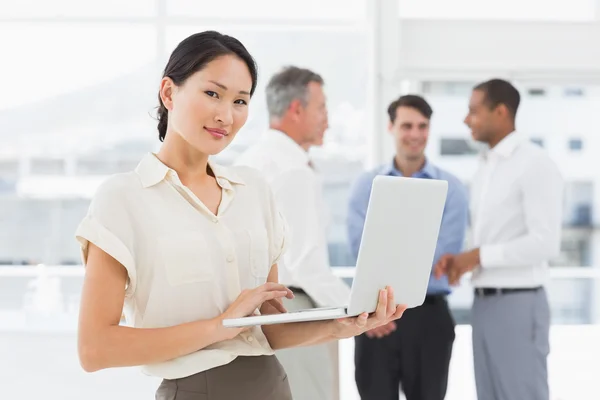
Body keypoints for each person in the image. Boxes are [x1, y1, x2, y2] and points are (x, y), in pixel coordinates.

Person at [74, 31, 406, 400]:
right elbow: (94, 349)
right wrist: (220, 326)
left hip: (273, 385)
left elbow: (270, 329)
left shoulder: (254, 190)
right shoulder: (123, 198)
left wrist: (343, 325)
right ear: (169, 93)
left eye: (240, 101)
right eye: (212, 94)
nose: (225, 115)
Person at [435, 79, 563, 400]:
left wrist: (477, 256)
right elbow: (493, 235)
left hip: (519, 304)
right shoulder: (486, 167)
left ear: (501, 111)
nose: (466, 120)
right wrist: (463, 259)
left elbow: (546, 242)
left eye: (474, 111)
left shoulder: (535, 163)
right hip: (484, 303)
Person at [235, 66, 350, 400]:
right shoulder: (292, 170)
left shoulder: (251, 160)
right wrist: (358, 311)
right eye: (322, 108)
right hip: (295, 309)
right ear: (296, 109)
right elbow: (306, 264)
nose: (327, 119)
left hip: (258, 312)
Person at [348, 95, 469, 400]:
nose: (415, 134)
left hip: (429, 315)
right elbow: (360, 249)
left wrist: (389, 252)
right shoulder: (367, 185)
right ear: (391, 127)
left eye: (422, 126)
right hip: (376, 315)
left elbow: (443, 253)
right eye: (406, 125)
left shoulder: (452, 189)